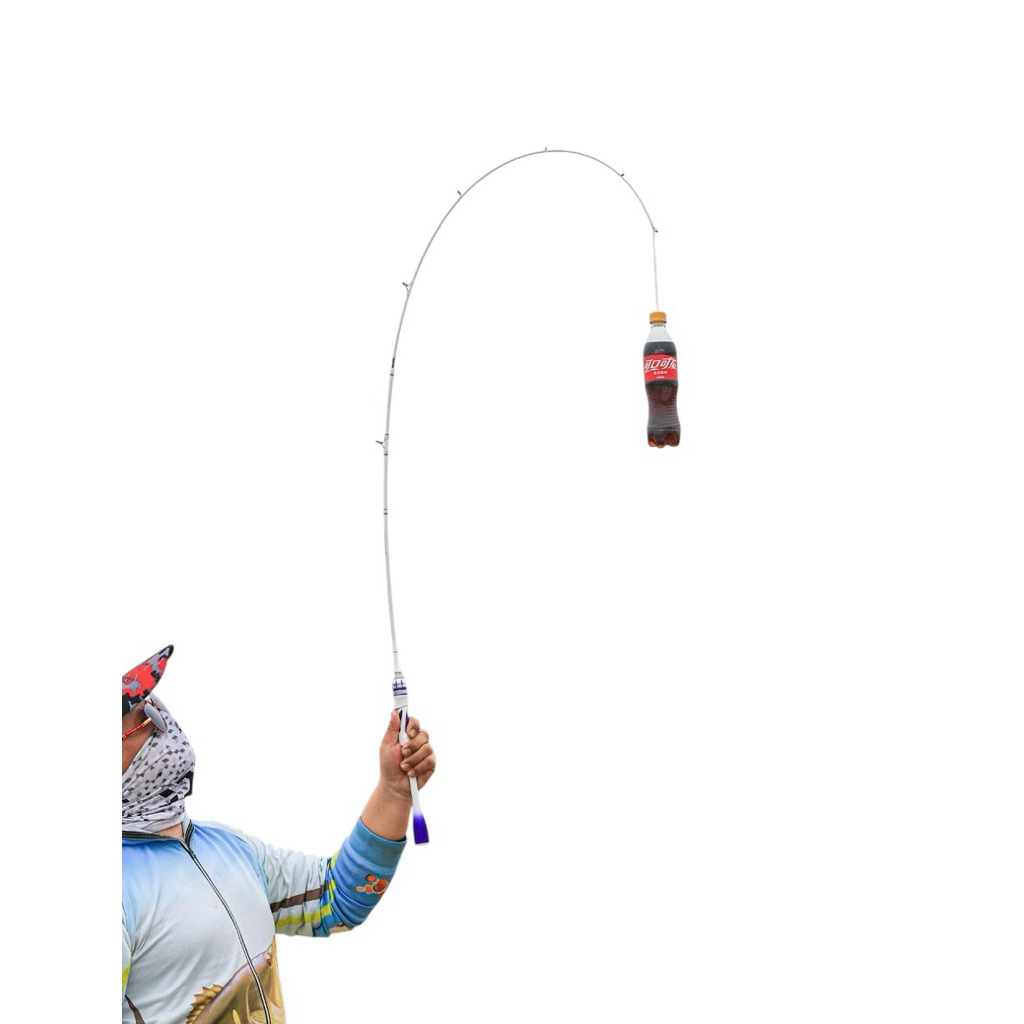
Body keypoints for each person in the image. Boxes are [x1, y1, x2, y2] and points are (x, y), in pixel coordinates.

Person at [122, 644, 435, 1024]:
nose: (161, 722)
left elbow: (338, 898)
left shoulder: (229, 846)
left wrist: (394, 791)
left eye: (152, 704)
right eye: (137, 716)